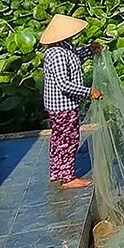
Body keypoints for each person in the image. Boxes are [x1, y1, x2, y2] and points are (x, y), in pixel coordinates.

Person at [40, 14, 99, 189]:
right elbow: (64, 84)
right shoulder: (57, 54)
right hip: (62, 105)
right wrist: (89, 92)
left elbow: (75, 55)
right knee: (68, 139)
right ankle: (67, 177)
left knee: (59, 138)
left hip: (62, 104)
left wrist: (89, 50)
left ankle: (57, 171)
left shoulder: (64, 47)